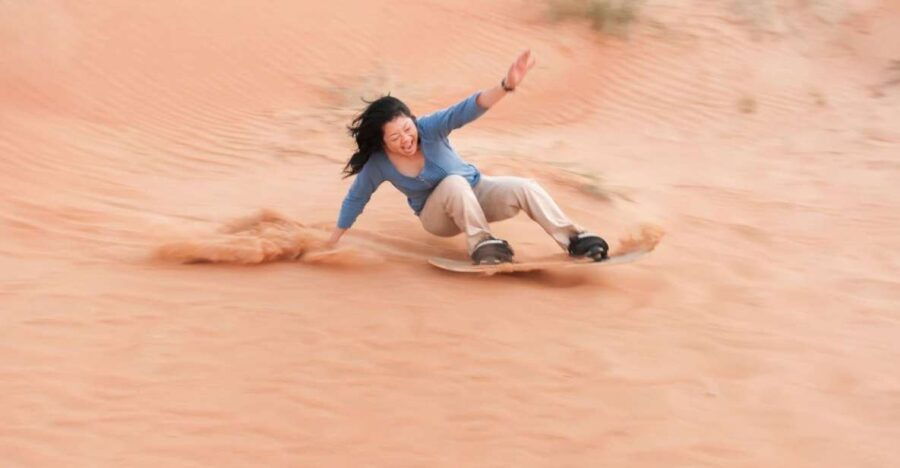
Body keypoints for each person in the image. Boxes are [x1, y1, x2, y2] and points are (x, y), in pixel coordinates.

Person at [325, 50, 608, 265]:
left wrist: (506, 86)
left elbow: (467, 109)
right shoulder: (379, 163)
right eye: (395, 138)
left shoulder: (430, 127)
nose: (406, 139)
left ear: (413, 121)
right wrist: (332, 241)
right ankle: (482, 245)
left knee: (525, 187)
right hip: (438, 218)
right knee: (453, 183)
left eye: (407, 130)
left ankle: (575, 239)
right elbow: (356, 198)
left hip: (475, 194)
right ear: (382, 141)